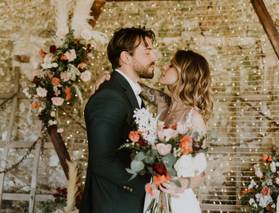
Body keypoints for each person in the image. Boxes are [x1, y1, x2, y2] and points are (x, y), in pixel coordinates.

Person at [95, 50, 213, 213]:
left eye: (171, 65)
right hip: (152, 196)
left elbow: (202, 173)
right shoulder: (163, 103)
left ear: (185, 74)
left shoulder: (194, 118)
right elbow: (129, 83)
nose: (164, 66)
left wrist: (180, 185)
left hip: (177, 201)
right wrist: (109, 77)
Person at [79, 27, 157, 213]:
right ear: (126, 58)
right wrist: (149, 184)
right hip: (113, 204)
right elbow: (102, 162)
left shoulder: (129, 92)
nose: (154, 57)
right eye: (147, 52)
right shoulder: (109, 97)